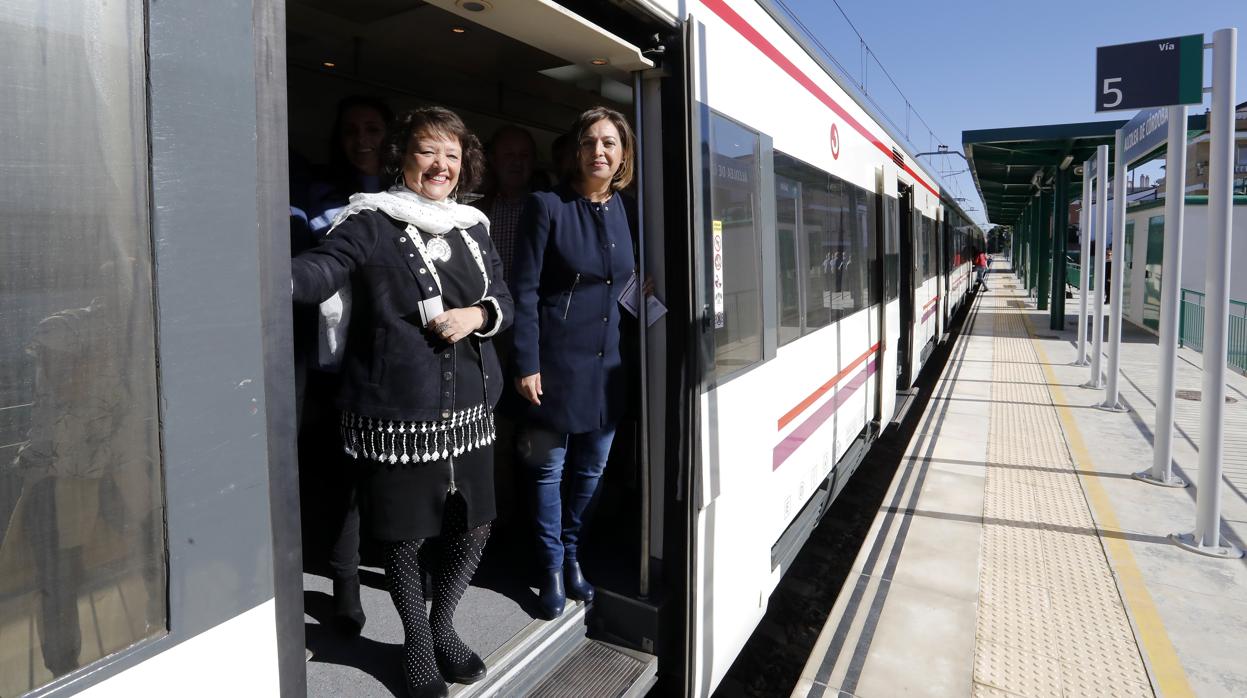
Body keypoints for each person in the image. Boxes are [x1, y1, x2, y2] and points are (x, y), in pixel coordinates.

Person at [291, 106, 511, 698]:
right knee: (405, 536)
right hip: (396, 412)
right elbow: (321, 270)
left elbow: (504, 300)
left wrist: (479, 315)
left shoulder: (473, 226)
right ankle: (416, 646)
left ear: (464, 164)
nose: (439, 165)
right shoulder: (367, 222)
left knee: (475, 528)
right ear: (402, 157)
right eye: (426, 151)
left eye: (451, 154)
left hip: (470, 409)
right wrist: (271, 276)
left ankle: (442, 626)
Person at [510, 107, 637, 620]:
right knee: (546, 471)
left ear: (623, 153)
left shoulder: (627, 209)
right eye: (590, 142)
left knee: (592, 471)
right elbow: (525, 289)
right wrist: (525, 362)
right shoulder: (547, 206)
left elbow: (621, 278)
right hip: (553, 367)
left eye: (610, 143)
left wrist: (638, 288)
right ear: (575, 150)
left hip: (608, 370)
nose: (599, 151)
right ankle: (550, 569)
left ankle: (571, 552)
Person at [297, 96, 392, 637]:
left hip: (395, 358)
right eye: (352, 128)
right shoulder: (321, 194)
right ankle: (346, 590)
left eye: (373, 128)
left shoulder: (408, 196)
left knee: (397, 477)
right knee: (345, 483)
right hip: (338, 362)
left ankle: (404, 570)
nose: (363, 138)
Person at [474, 124, 539, 286]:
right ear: (493, 160)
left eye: (524, 155)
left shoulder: (547, 210)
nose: (517, 161)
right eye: (509, 154)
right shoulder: (476, 212)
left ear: (533, 161)